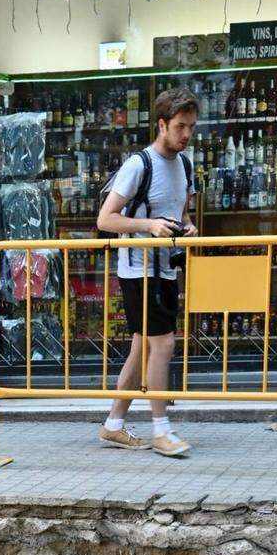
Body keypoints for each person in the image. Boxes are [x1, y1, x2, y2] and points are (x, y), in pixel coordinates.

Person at [95, 87, 200, 459]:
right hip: (139, 270)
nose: (186, 134)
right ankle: (161, 430)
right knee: (164, 344)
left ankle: (112, 424)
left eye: (191, 127)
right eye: (180, 127)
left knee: (143, 348)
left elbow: (182, 215)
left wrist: (188, 228)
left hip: (163, 269)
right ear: (162, 124)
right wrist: (149, 225)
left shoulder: (185, 165)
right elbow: (105, 219)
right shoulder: (140, 164)